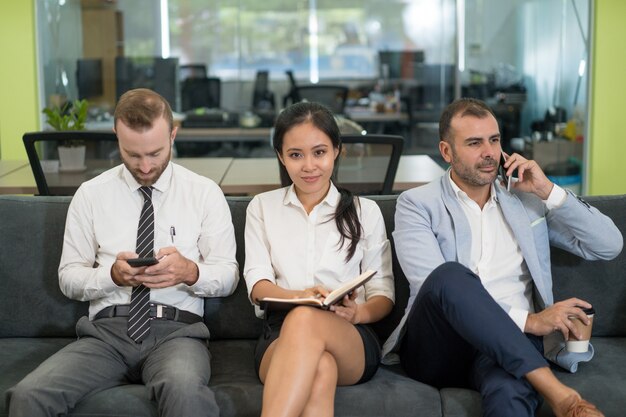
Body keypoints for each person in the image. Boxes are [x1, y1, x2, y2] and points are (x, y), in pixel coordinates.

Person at [382, 98, 622, 417]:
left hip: (512, 349)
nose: (489, 152)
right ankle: (558, 393)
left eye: (494, 140)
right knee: (450, 276)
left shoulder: (525, 201)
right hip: (442, 346)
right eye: (474, 143)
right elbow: (434, 286)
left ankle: (544, 384)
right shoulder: (416, 204)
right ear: (446, 152)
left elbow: (609, 244)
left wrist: (547, 190)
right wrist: (532, 321)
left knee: (510, 390)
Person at [7, 88, 239, 417]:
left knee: (184, 391)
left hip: (177, 333)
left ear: (173, 134)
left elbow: (228, 275)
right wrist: (111, 276)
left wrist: (190, 271)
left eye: (156, 153)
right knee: (29, 395)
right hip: (104, 335)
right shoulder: (90, 195)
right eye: (132, 154)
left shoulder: (204, 194)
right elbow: (68, 278)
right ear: (117, 136)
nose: (145, 166)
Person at [244, 101, 395, 417]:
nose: (309, 165)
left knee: (306, 319)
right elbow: (258, 286)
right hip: (278, 333)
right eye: (295, 155)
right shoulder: (261, 207)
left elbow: (384, 296)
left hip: (349, 333)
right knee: (321, 367)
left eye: (319, 152)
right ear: (281, 157)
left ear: (337, 151)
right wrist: (302, 296)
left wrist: (358, 313)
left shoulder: (365, 212)